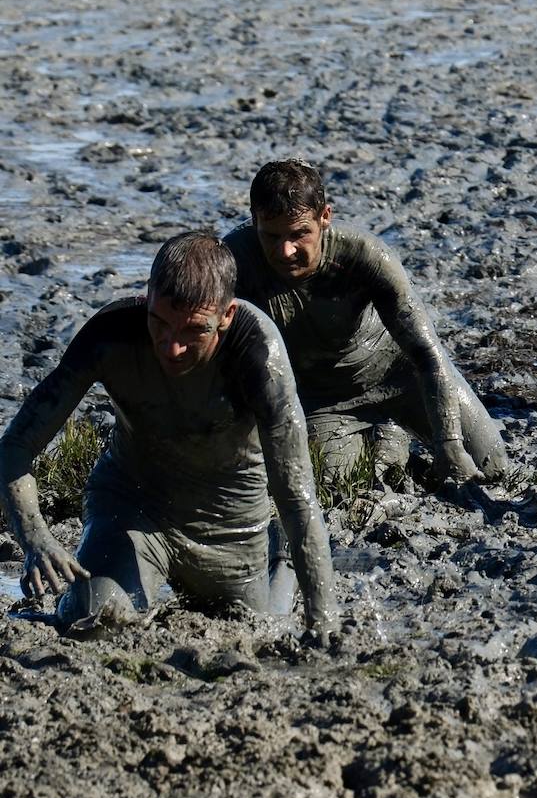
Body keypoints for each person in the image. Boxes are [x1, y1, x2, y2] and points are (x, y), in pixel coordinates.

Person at [0, 231, 337, 640]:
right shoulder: (110, 334)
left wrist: (322, 620)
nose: (171, 347)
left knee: (260, 628)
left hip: (230, 524)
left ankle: (279, 557)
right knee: (89, 621)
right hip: (132, 508)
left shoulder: (258, 352)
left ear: (226, 315)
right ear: (147, 296)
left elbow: (296, 494)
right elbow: (15, 446)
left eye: (193, 330)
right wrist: (36, 538)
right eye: (159, 323)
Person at [223, 159, 507, 487]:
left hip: (399, 374)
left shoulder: (364, 256)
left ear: (324, 217)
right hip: (324, 397)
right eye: (271, 236)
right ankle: (388, 440)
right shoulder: (232, 262)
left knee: (492, 466)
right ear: (254, 219)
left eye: (300, 234)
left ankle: (394, 429)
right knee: (343, 484)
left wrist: (450, 444)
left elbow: (428, 356)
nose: (286, 251)